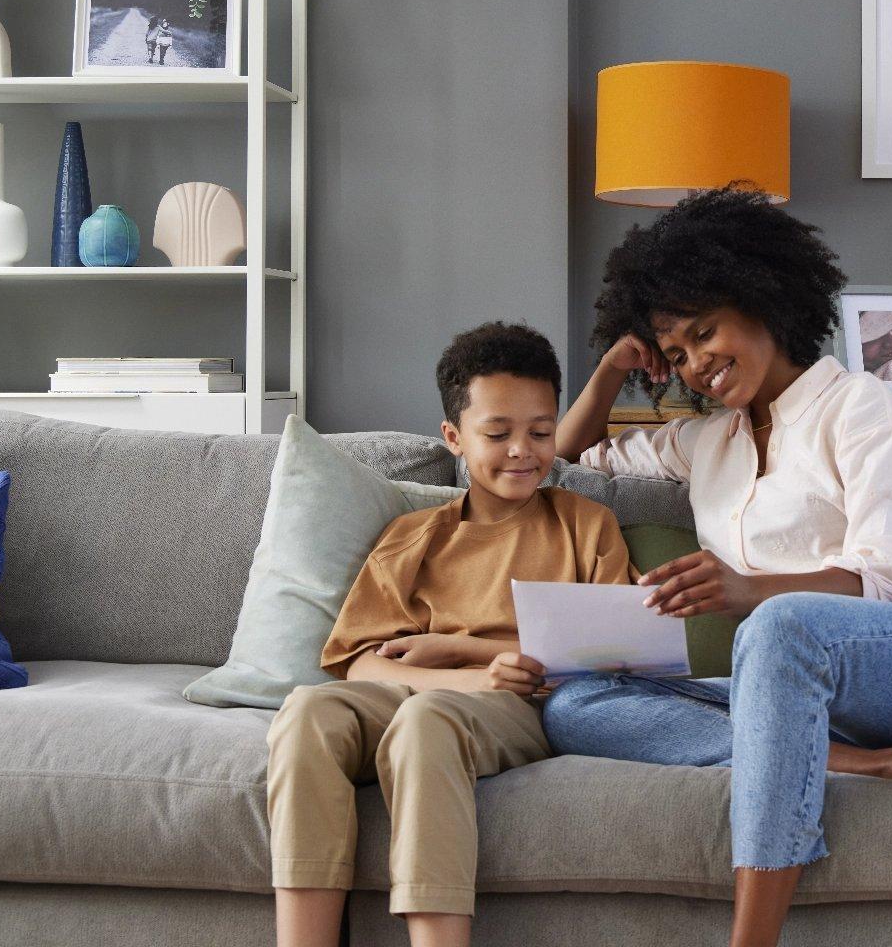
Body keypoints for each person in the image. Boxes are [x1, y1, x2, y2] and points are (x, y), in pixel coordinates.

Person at [547, 185, 892, 947]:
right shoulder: (710, 444)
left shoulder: (860, 406)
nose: (697, 364)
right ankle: (883, 766)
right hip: (795, 684)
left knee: (782, 624)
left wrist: (751, 591)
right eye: (678, 351)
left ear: (764, 298)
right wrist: (611, 371)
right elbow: (567, 459)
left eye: (706, 330)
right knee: (575, 702)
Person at [264, 322, 635, 947]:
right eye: (498, 433)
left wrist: (479, 658)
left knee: (428, 720)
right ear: (454, 439)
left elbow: (619, 652)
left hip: (523, 703)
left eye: (541, 432)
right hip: (428, 693)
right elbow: (359, 665)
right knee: (307, 711)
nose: (523, 450)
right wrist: (459, 676)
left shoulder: (585, 525)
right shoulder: (415, 536)